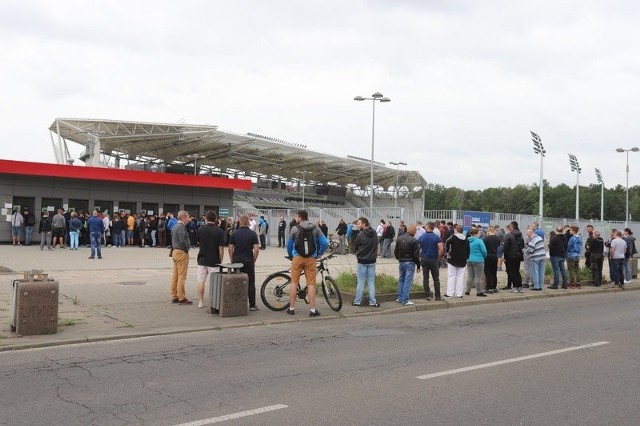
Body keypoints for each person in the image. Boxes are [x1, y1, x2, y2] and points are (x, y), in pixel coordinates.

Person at [286, 210, 328, 316]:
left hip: (297, 257)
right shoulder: (315, 227)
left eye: (296, 216)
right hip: (311, 259)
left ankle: (291, 309)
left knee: (294, 283)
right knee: (311, 284)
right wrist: (319, 253)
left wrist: (291, 255)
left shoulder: (295, 228)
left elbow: (289, 244)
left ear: (300, 218)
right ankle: (313, 310)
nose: (296, 218)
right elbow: (324, 242)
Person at [229, 215, 261, 311]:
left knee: (237, 281)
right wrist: (253, 260)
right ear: (248, 223)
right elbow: (256, 249)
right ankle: (252, 305)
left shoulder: (234, 233)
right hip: (248, 260)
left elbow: (230, 248)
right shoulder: (253, 234)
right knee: (251, 283)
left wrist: (232, 259)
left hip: (237, 260)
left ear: (240, 222)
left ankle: (237, 303)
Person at [196, 210, 225, 309]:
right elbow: (221, 248)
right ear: (216, 219)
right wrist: (221, 259)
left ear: (206, 218)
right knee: (215, 283)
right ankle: (214, 303)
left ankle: (200, 301)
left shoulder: (200, 229)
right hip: (214, 260)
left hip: (202, 259)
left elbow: (198, 242)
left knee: (201, 281)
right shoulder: (220, 231)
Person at [352, 217, 380, 307]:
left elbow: (354, 247)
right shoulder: (374, 233)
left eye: (359, 223)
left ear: (364, 224)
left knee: (360, 282)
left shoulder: (360, 235)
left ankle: (357, 301)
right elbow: (376, 244)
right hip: (372, 260)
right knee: (371, 282)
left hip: (362, 260)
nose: (358, 225)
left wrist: (358, 253)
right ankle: (372, 302)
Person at [394, 224, 421, 306]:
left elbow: (396, 251)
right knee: (407, 281)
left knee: (401, 279)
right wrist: (418, 265)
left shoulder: (400, 238)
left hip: (402, 262)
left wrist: (399, 259)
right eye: (415, 231)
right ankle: (405, 300)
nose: (416, 232)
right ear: (413, 232)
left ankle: (399, 297)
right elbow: (416, 255)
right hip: (410, 262)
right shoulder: (414, 241)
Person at [169, 210, 193, 304]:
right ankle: (181, 297)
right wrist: (187, 249)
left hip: (175, 252)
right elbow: (182, 240)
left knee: (175, 275)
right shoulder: (181, 227)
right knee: (181, 276)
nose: (188, 219)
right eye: (187, 217)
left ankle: (174, 295)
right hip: (181, 252)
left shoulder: (174, 226)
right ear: (183, 217)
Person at [418, 222, 444, 301]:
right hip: (433, 259)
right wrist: (438, 257)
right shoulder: (437, 238)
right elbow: (441, 249)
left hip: (424, 259)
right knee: (436, 279)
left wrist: (420, 256)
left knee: (425, 278)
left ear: (427, 227)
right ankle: (437, 296)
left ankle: (427, 295)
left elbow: (418, 248)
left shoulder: (421, 237)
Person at [444, 224, 469, 298]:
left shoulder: (453, 237)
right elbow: (468, 250)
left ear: (456, 230)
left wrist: (448, 251)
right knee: (460, 277)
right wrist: (467, 258)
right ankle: (459, 294)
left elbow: (447, 242)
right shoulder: (466, 239)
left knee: (451, 276)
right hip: (463, 260)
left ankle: (450, 293)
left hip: (453, 259)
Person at [465, 228, 487, 297]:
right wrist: (484, 257)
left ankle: (467, 291)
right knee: (478, 276)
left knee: (470, 276)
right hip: (478, 260)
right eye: (479, 233)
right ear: (475, 234)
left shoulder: (467, 240)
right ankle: (479, 292)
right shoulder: (479, 241)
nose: (480, 234)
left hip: (469, 260)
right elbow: (484, 251)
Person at [503, 221, 524, 293]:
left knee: (512, 272)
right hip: (518, 255)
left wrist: (505, 257)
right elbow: (522, 245)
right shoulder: (520, 235)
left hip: (510, 256)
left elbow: (505, 247)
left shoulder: (508, 235)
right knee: (517, 271)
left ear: (511, 227)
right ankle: (520, 286)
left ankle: (515, 287)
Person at [483, 226, 501, 294]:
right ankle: (494, 287)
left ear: (488, 231)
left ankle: (489, 288)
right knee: (494, 272)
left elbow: (484, 247)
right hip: (495, 256)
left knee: (488, 272)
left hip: (488, 256)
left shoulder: (486, 239)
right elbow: (498, 245)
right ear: (494, 231)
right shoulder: (497, 238)